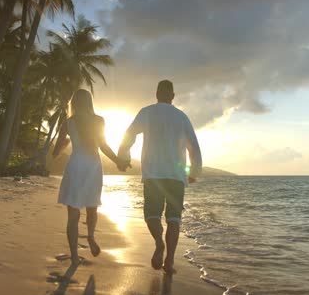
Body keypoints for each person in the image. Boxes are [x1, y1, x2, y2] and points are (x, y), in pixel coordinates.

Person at [118, 80, 202, 274]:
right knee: (174, 219)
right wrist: (194, 172)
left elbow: (129, 134)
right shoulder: (182, 117)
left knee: (152, 215)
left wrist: (124, 155)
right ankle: (169, 262)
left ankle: (159, 242)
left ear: (156, 94)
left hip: (153, 174)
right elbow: (194, 147)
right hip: (175, 176)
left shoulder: (147, 112)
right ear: (172, 96)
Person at [53, 89, 128, 266]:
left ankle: (74, 256)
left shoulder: (68, 123)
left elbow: (56, 152)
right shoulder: (99, 120)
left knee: (73, 215)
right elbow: (103, 145)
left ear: (74, 103)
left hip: (76, 164)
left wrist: (63, 145)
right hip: (93, 165)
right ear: (89, 102)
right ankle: (91, 237)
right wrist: (118, 161)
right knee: (92, 206)